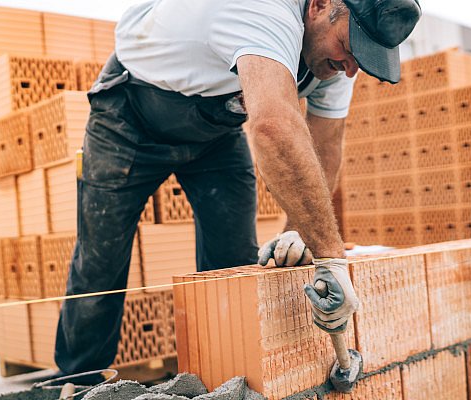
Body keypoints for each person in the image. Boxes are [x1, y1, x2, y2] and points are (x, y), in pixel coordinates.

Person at [53, 0, 421, 383]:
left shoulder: (336, 57)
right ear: (320, 5)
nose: (350, 68)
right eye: (348, 47)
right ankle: (78, 381)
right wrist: (330, 257)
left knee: (233, 264)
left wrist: (299, 232)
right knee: (100, 261)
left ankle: (226, 380)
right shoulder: (262, 10)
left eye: (362, 59)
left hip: (215, 131)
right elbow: (274, 126)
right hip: (130, 114)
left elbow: (326, 144)